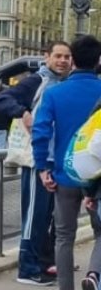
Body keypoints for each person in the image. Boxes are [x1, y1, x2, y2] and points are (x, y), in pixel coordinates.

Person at [0, 41, 72, 285]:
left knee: (50, 216)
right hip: (35, 160)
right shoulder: (35, 81)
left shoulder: (65, 83)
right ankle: (27, 268)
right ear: (46, 57)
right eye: (58, 56)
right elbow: (2, 98)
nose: (63, 61)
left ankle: (45, 262)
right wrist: (23, 112)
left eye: (67, 57)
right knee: (34, 215)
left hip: (55, 159)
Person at [32, 36, 101, 290]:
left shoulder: (55, 93)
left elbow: (41, 131)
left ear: (73, 60)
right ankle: (94, 274)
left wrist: (43, 168)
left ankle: (65, 287)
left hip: (65, 174)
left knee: (63, 236)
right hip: (98, 176)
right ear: (98, 61)